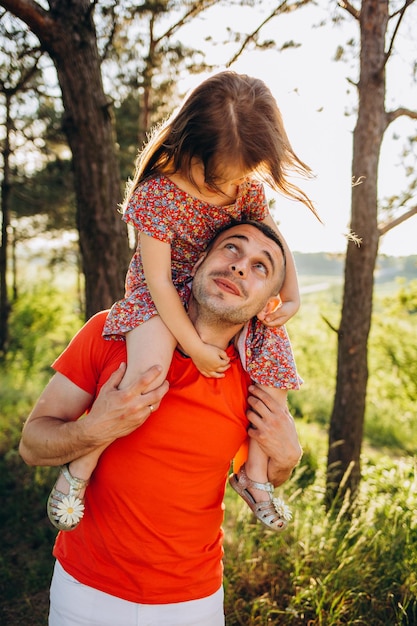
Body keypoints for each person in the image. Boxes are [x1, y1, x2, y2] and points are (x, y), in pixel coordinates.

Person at [20, 221, 302, 626]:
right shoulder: (112, 331)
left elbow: (262, 477)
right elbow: (32, 445)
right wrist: (94, 429)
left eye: (261, 267)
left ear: (269, 305)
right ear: (199, 260)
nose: (241, 267)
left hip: (193, 603)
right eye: (232, 250)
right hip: (85, 592)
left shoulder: (257, 380)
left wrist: (289, 458)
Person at [80, 71, 316, 526]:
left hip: (221, 289)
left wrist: (291, 294)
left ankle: (255, 474)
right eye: (218, 178)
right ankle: (83, 463)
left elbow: (272, 238)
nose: (227, 189)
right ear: (190, 146)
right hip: (162, 299)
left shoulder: (246, 187)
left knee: (274, 381)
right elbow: (159, 285)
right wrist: (194, 348)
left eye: (239, 178)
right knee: (143, 378)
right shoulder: (158, 194)